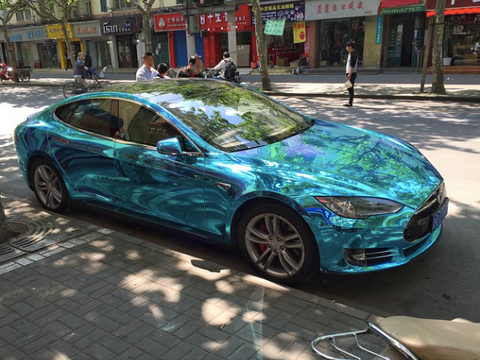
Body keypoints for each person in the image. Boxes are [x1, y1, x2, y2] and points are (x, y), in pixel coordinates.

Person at [343, 40, 358, 107]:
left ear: (350, 47)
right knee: (348, 87)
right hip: (349, 73)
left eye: (347, 46)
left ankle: (350, 103)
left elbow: (352, 66)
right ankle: (349, 102)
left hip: (352, 73)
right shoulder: (350, 54)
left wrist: (349, 74)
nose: (346, 48)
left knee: (350, 88)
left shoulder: (353, 55)